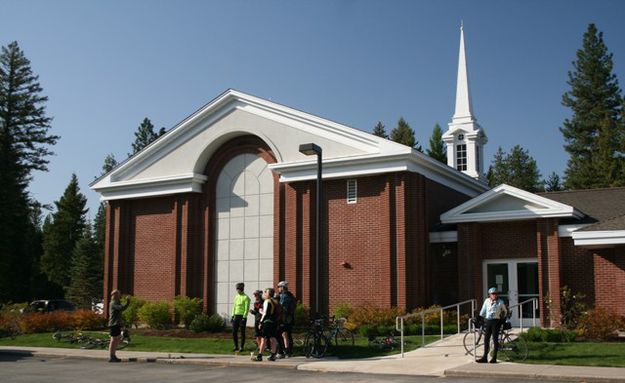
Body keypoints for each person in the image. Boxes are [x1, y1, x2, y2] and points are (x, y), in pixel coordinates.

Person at [477, 287, 508, 363]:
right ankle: (484, 357)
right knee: (486, 339)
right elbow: (482, 311)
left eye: (495, 294)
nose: (494, 295)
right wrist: (480, 318)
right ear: (489, 295)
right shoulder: (487, 301)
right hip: (488, 322)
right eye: (492, 294)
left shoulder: (500, 302)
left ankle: (494, 358)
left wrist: (503, 319)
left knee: (495, 339)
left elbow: (505, 311)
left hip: (496, 322)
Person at [253, 288, 278, 361]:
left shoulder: (267, 301)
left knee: (264, 338)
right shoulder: (274, 301)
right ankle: (273, 355)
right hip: (274, 322)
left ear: (268, 294)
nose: (264, 294)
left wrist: (261, 322)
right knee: (273, 338)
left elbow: (265, 313)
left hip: (267, 322)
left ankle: (260, 356)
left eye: (266, 293)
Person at [108, 289, 130, 363]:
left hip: (117, 324)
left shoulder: (116, 302)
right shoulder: (113, 303)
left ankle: (113, 355)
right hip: (113, 324)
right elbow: (121, 308)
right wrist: (127, 301)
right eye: (118, 294)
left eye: (119, 294)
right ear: (114, 295)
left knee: (117, 339)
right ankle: (111, 356)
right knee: (113, 340)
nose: (119, 295)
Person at [277, 281, 295, 358]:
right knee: (287, 335)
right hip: (290, 319)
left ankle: (283, 352)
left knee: (281, 335)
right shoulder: (291, 295)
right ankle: (288, 351)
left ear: (282, 287)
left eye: (278, 287)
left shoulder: (284, 297)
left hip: (284, 319)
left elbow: (280, 308)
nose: (278, 289)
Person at [231, 282, 251, 352]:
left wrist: (244, 317)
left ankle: (241, 347)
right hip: (236, 316)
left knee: (242, 332)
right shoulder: (236, 296)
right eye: (237, 289)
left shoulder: (246, 297)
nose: (237, 291)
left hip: (242, 317)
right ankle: (236, 346)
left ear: (241, 289)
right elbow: (234, 306)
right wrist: (232, 315)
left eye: (238, 289)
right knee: (234, 332)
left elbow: (246, 308)